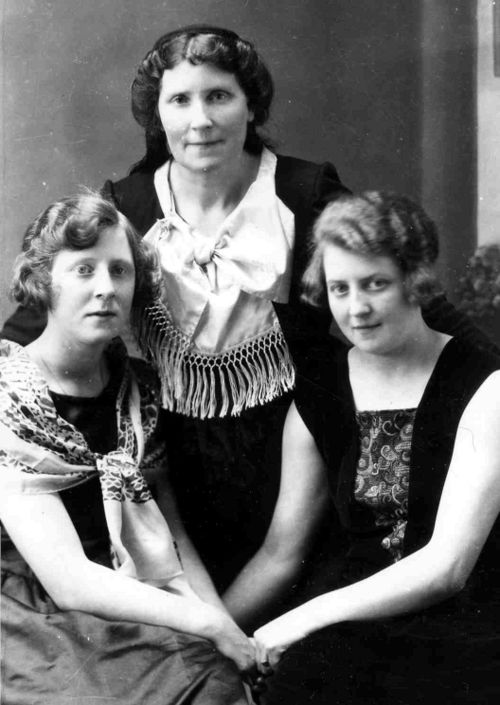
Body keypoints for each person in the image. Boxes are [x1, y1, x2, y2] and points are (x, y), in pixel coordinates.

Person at [1, 26, 493, 592]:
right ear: (157, 114)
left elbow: (419, 297)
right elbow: (36, 320)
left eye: (219, 96)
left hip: (297, 456)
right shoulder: (129, 205)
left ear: (251, 105)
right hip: (170, 462)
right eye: (179, 100)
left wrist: (491, 370)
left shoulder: (303, 193)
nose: (200, 121)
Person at [233, 192, 500, 703]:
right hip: (352, 622)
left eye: (375, 284)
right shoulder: (322, 390)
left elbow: (446, 568)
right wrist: (214, 631)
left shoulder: (484, 384)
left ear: (415, 280)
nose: (356, 309)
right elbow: (280, 554)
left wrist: (304, 617)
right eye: (340, 288)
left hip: (466, 626)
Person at [0, 192, 257, 705]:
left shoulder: (136, 388)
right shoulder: (9, 393)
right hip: (32, 610)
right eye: (83, 270)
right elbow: (69, 581)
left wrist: (225, 627)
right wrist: (207, 624)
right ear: (43, 281)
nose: (105, 288)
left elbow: (172, 537)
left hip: (129, 587)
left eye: (119, 271)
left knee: (220, 683)